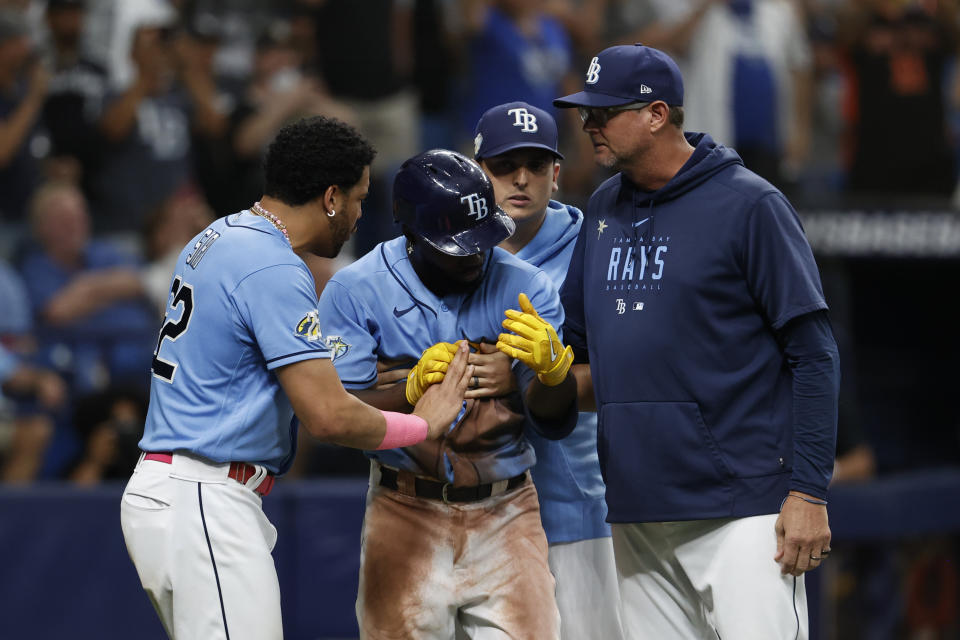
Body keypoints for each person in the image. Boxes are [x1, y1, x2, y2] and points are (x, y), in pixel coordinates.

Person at [509, 44, 840, 639]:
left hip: (742, 510)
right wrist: (551, 376)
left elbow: (814, 354)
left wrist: (809, 491)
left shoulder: (750, 205)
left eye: (603, 113)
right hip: (638, 511)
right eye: (585, 113)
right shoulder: (605, 207)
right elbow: (584, 364)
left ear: (657, 114)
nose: (587, 125)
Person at [119, 117, 473, 640]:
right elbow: (327, 415)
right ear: (331, 196)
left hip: (180, 490)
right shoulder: (273, 266)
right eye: (358, 198)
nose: (359, 216)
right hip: (204, 495)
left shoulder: (218, 235)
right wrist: (421, 423)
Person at [315, 148, 576, 639]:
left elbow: (553, 422)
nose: (477, 254)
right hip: (404, 508)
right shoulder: (357, 289)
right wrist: (408, 391)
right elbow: (339, 418)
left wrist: (552, 375)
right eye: (461, 244)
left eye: (484, 240)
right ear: (412, 235)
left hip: (507, 511)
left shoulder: (527, 286)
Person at [472, 101, 623, 640]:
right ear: (477, 170)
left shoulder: (595, 251)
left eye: (536, 165)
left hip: (570, 508)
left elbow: (625, 371)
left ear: (556, 174)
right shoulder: (449, 250)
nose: (520, 178)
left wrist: (520, 373)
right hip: (472, 511)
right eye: (503, 164)